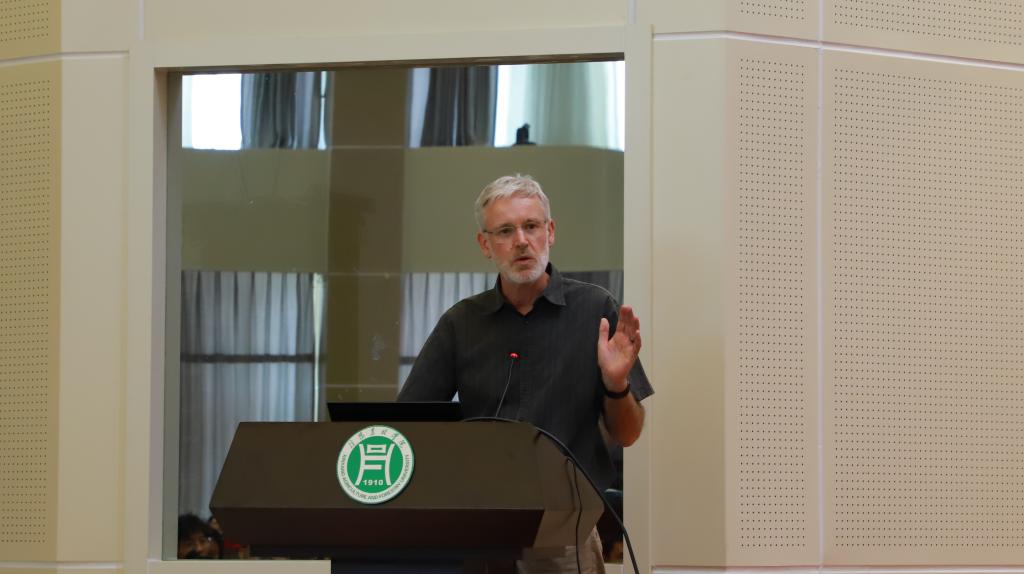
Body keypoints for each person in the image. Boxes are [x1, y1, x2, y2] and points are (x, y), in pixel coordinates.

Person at [398, 174, 653, 574]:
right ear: (485, 244)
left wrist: (616, 384)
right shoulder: (461, 323)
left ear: (550, 232)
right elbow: (409, 423)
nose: (521, 241)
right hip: (480, 529)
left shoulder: (595, 311)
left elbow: (629, 433)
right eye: (505, 231)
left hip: (566, 531)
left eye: (531, 226)